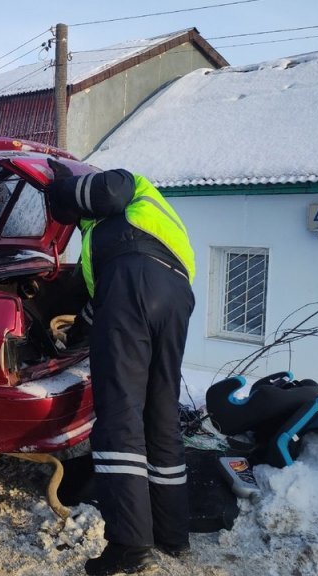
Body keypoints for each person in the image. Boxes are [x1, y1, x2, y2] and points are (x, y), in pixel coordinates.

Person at [44, 168, 196, 576]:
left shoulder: (124, 187)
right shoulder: (117, 234)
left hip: (136, 289)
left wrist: (56, 188)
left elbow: (110, 189)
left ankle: (129, 546)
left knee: (118, 420)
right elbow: (101, 305)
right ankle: (171, 534)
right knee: (160, 416)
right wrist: (73, 336)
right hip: (175, 296)